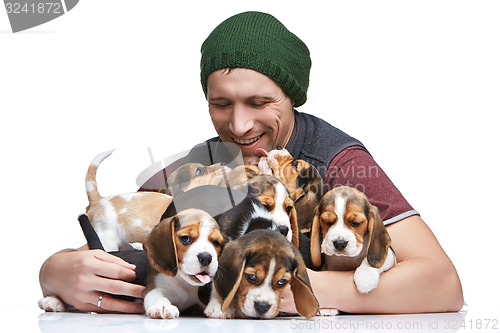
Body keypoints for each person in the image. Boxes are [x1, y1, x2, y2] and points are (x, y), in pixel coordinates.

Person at [39, 11, 463, 314]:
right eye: (220, 104)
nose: (238, 126)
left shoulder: (338, 162)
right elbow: (136, 246)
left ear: (292, 95)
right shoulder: (203, 164)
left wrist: (279, 290)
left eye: (260, 103)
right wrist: (55, 270)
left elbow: (441, 285)